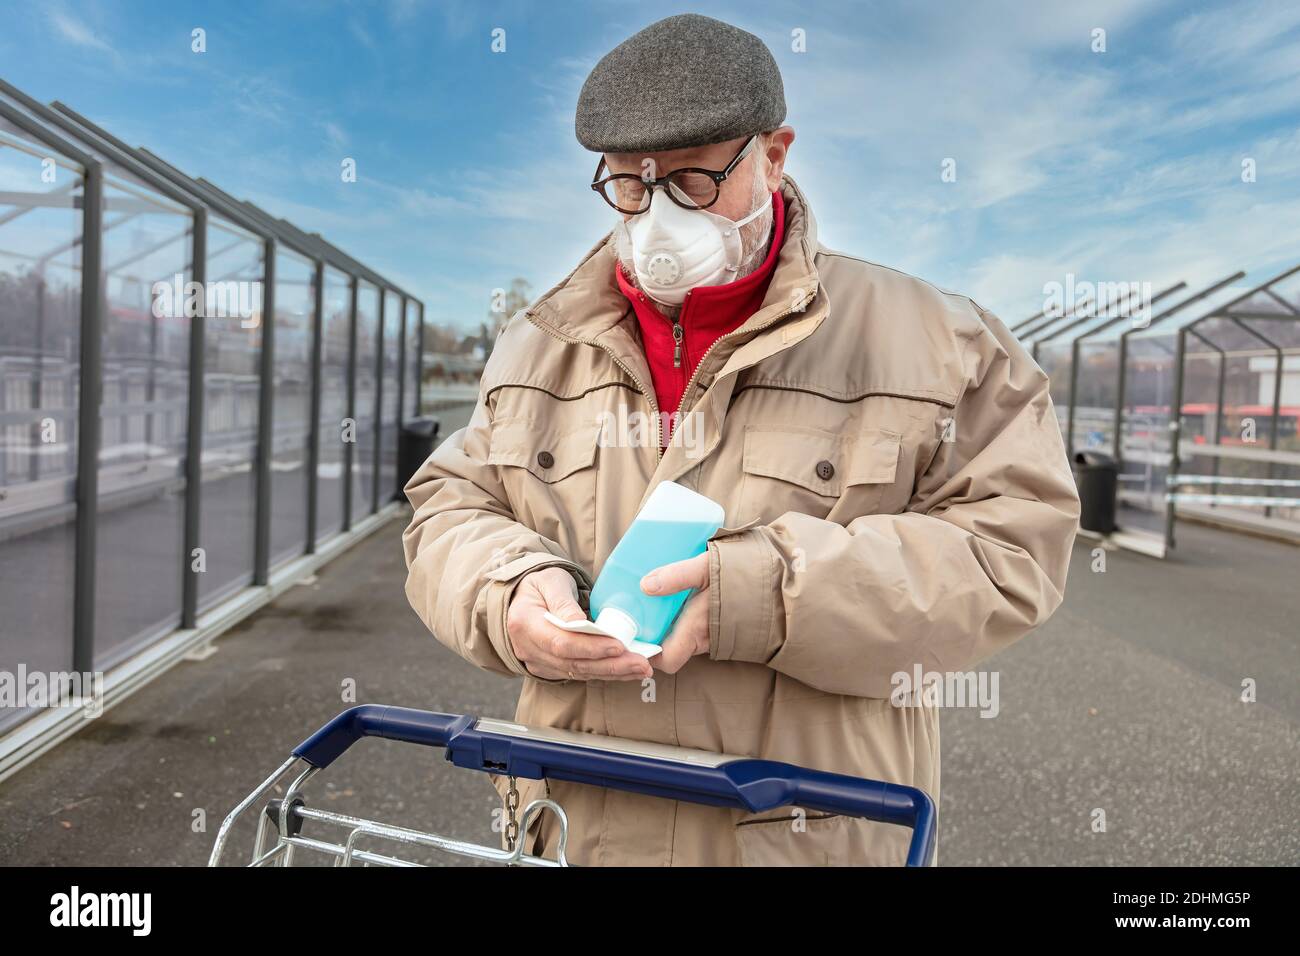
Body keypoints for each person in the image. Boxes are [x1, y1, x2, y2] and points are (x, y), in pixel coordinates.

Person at [403, 13, 1079, 865]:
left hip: (804, 838)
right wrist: (507, 588)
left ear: (775, 154)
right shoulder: (538, 342)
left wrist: (763, 595)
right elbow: (450, 506)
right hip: (577, 833)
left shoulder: (941, 342)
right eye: (629, 186)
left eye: (693, 181)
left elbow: (1013, 548)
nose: (655, 220)